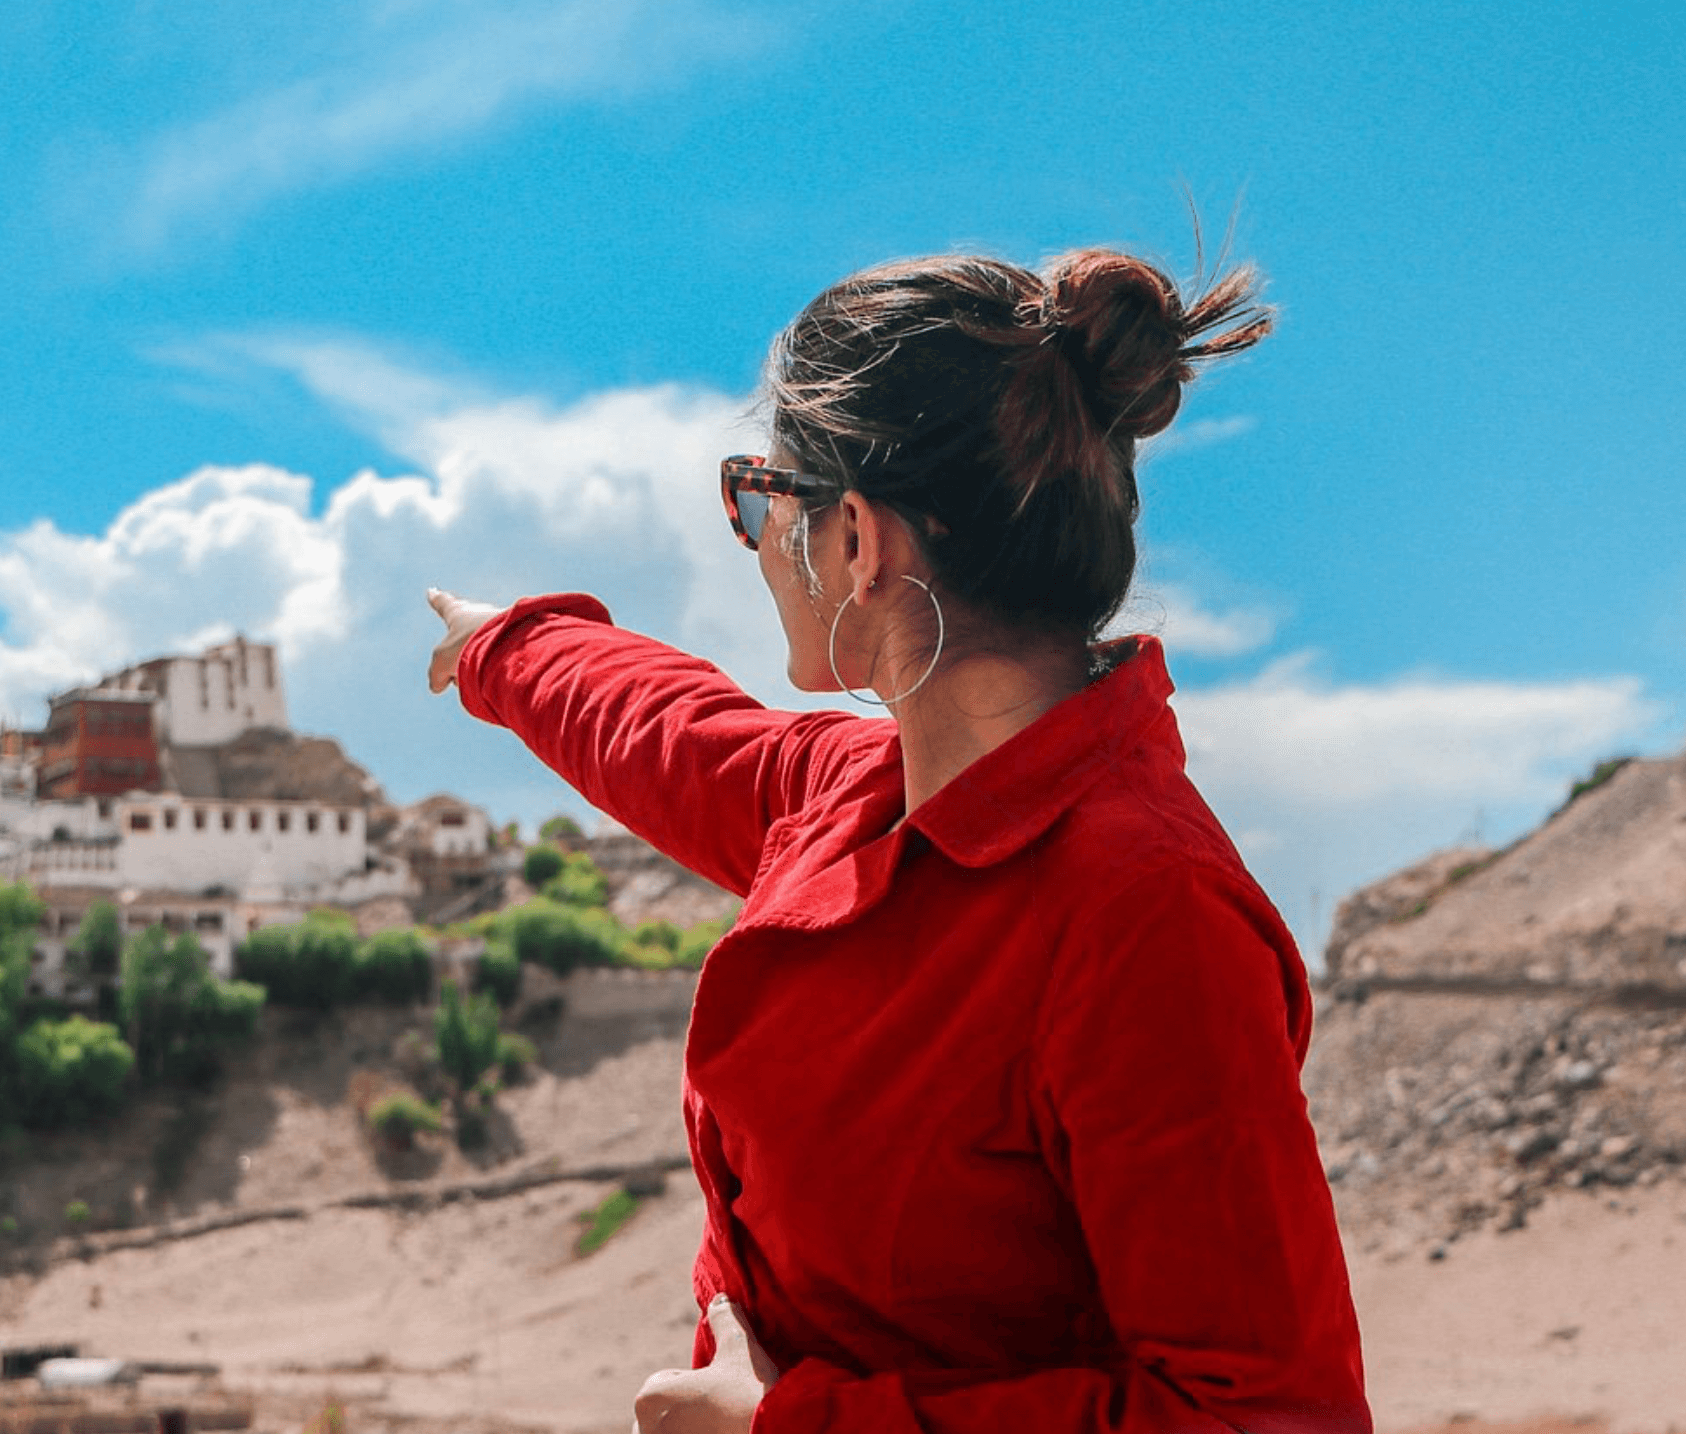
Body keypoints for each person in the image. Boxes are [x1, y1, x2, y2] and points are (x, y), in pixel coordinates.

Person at [426, 247, 1368, 1433]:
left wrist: (792, 1425)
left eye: (763, 500)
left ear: (859, 541)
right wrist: (503, 649)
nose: (756, 539)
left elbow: (1271, 1418)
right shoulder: (856, 793)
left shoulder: (1144, 912)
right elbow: (665, 731)